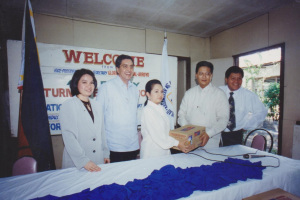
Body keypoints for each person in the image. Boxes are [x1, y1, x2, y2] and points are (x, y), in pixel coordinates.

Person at [60, 69, 110, 172]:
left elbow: (102, 132)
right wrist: (83, 161)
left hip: (98, 159)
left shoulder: (97, 105)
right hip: (77, 163)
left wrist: (105, 153)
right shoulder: (68, 105)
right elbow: (69, 137)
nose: (89, 86)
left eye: (91, 83)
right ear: (76, 84)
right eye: (84, 82)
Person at [97, 54, 139, 163]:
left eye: (131, 66)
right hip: (114, 147)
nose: (129, 70)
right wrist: (103, 149)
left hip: (133, 145)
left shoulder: (135, 89)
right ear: (117, 69)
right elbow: (98, 118)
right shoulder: (106, 87)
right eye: (125, 66)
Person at [178, 61, 229, 149]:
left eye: (207, 74)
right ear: (196, 75)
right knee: (190, 162)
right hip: (190, 140)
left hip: (211, 141)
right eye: (201, 73)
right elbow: (181, 115)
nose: (204, 77)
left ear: (211, 75)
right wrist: (189, 132)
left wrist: (209, 134)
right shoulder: (189, 93)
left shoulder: (219, 94)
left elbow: (223, 119)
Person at [140, 79, 192, 159]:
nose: (160, 94)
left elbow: (165, 132)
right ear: (148, 94)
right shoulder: (148, 110)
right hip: (152, 152)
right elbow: (158, 135)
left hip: (164, 151)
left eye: (162, 91)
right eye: (156, 91)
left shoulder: (161, 108)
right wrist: (177, 143)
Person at [219, 66, 268, 146]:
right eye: (233, 78)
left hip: (235, 135)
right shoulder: (218, 91)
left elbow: (261, 112)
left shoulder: (248, 95)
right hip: (216, 133)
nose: (236, 81)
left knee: (232, 157)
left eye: (239, 78)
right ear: (226, 79)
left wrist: (247, 125)